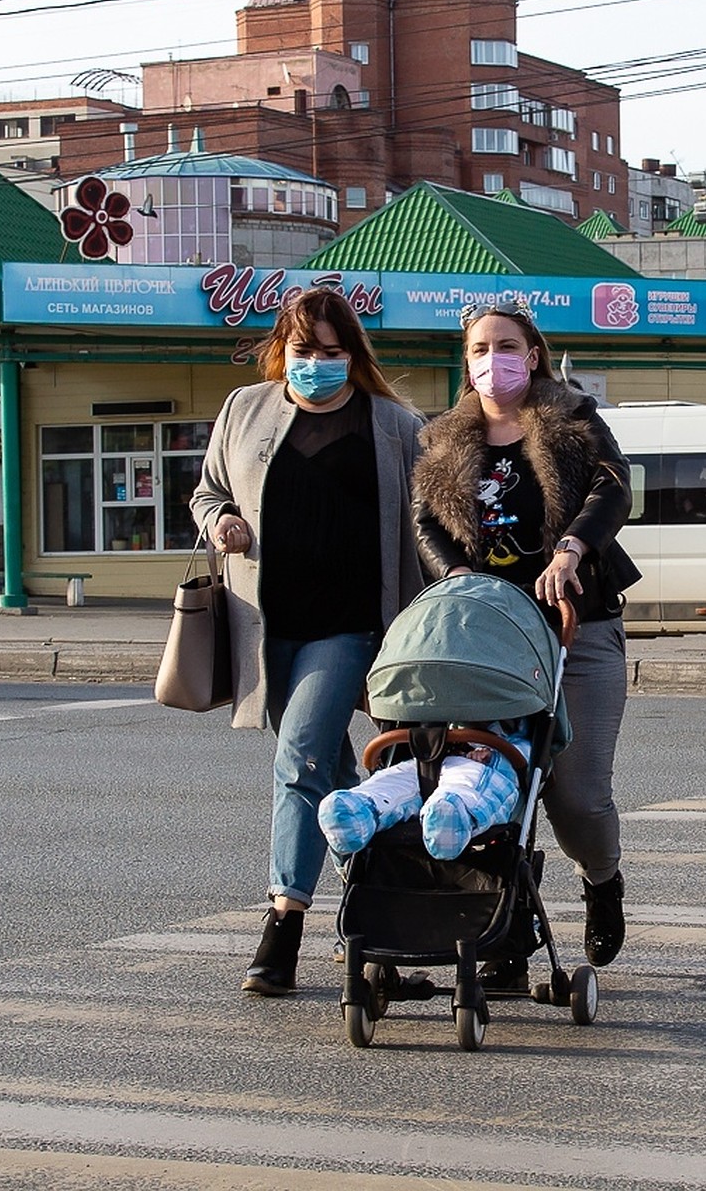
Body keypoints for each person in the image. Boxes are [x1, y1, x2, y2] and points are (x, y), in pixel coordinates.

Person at [190, 287, 424, 996]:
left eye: (331, 352)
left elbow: (427, 520)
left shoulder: (393, 424)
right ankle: (383, 929)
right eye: (303, 351)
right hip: (267, 626)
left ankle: (282, 925)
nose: (317, 364)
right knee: (338, 781)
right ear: (280, 351)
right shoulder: (244, 410)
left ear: (352, 355)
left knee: (299, 759)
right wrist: (222, 518)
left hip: (351, 626)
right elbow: (205, 492)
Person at [412, 298, 641, 986]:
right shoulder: (444, 439)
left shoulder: (572, 419)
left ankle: (602, 881)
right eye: (479, 350)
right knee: (489, 791)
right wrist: (455, 578)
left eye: (505, 346)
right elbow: (427, 521)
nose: (492, 361)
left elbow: (614, 489)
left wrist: (571, 549)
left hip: (578, 627)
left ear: (532, 354)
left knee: (576, 795)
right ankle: (505, 934)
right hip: (489, 640)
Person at [318, 721, 531, 860]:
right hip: (428, 755)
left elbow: (527, 748)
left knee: (465, 787)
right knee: (395, 781)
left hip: (487, 761)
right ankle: (358, 810)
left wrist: (495, 755)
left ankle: (451, 818)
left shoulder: (517, 715)